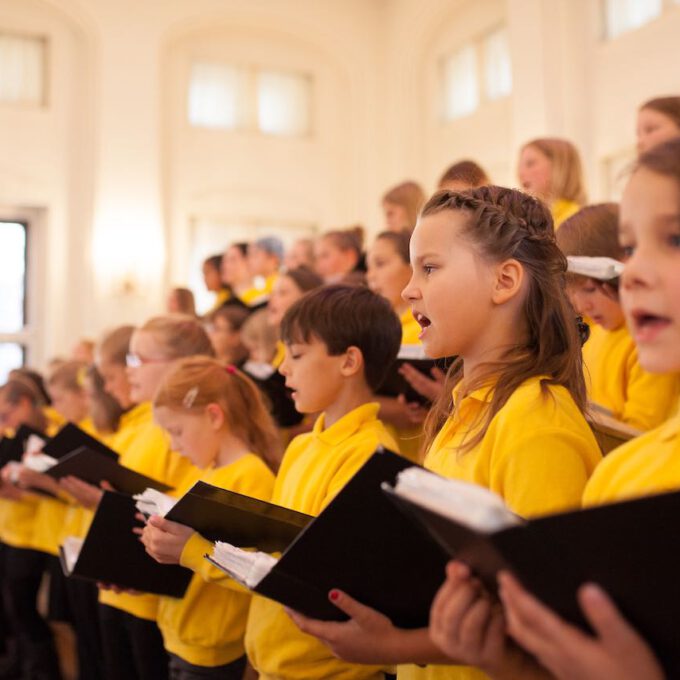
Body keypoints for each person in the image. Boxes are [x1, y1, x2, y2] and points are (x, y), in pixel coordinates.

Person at [286, 186, 601, 680]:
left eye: (429, 268)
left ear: (505, 280)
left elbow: (546, 627)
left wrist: (396, 643)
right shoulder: (462, 411)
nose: (410, 290)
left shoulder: (536, 424)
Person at [139, 357, 280, 679]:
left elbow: (254, 569)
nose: (173, 447)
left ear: (214, 416)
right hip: (180, 634)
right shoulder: (209, 472)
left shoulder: (252, 478)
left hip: (211, 647)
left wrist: (188, 548)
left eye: (177, 432)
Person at [557, 203, 680, 430]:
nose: (582, 306)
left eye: (590, 289)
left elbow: (640, 430)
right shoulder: (594, 335)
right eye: (574, 294)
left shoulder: (650, 345)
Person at [518, 138, 586, 228]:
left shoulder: (576, 220)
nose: (520, 173)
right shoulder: (531, 218)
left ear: (559, 166)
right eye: (520, 166)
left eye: (530, 164)